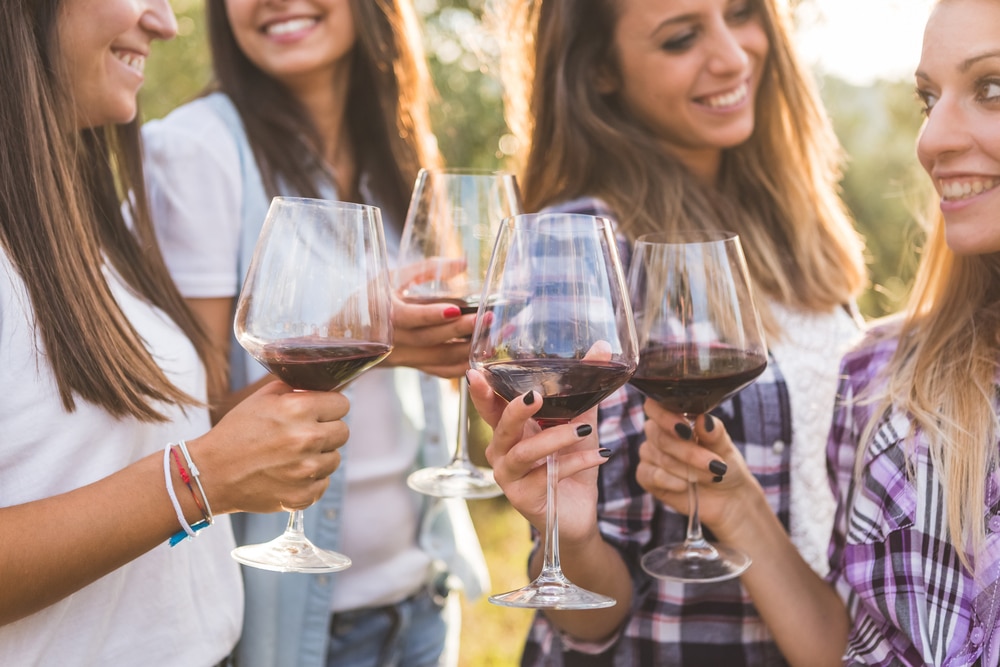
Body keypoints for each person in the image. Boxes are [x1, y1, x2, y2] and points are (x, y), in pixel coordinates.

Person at [469, 0, 868, 663]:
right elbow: (591, 620)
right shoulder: (582, 248)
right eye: (681, 38)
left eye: (741, 13)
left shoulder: (797, 236)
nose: (733, 56)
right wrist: (561, 536)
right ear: (601, 70)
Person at [638, 0, 1000, 664]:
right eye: (927, 98)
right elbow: (846, 647)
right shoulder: (887, 382)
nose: (932, 140)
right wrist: (739, 507)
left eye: (993, 89)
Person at [0, 0, 350, 665]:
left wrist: (352, 358)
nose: (165, 22)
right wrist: (201, 478)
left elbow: (131, 443)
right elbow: (186, 472)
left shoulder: (85, 225)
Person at [141, 1, 489, 666]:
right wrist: (356, 341)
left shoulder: (399, 147)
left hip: (423, 598)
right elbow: (186, 433)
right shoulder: (195, 151)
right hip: (298, 620)